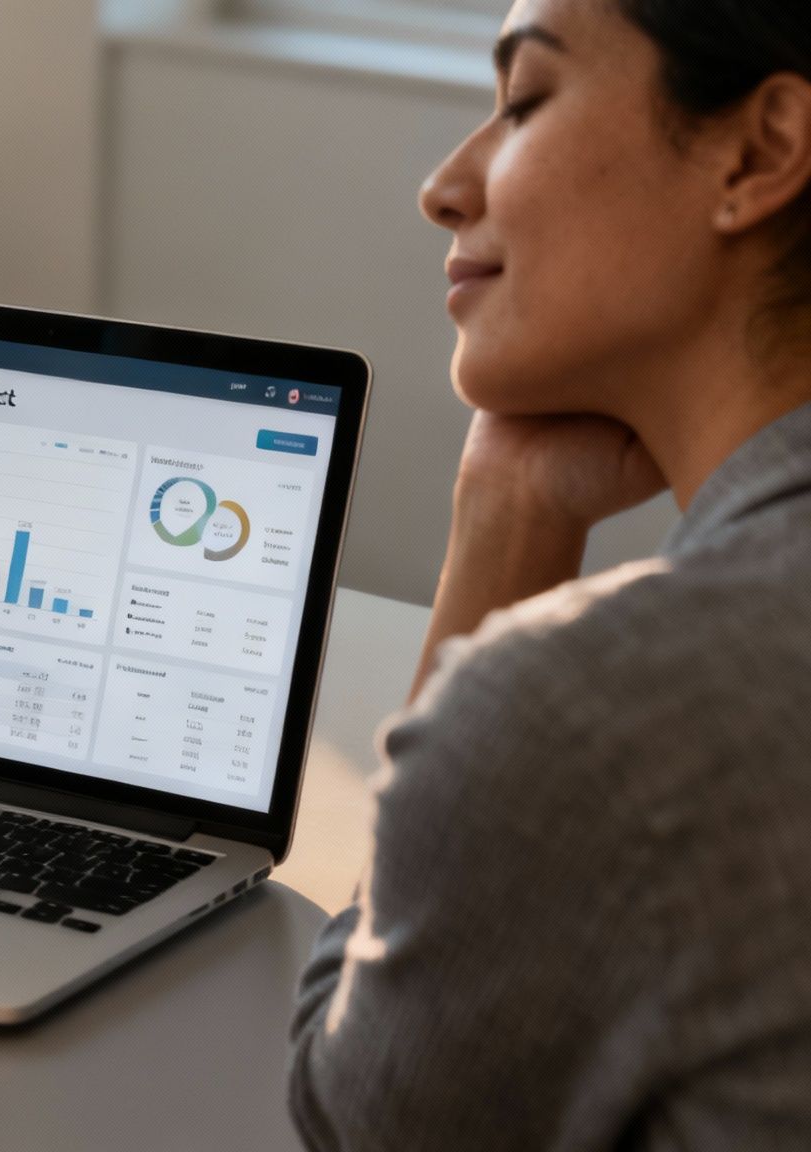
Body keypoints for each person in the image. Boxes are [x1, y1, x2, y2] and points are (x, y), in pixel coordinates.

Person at [289, 0, 811, 1147]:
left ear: (757, 151)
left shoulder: (592, 718)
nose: (443, 187)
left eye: (524, 101)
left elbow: (353, 1117)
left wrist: (500, 529)